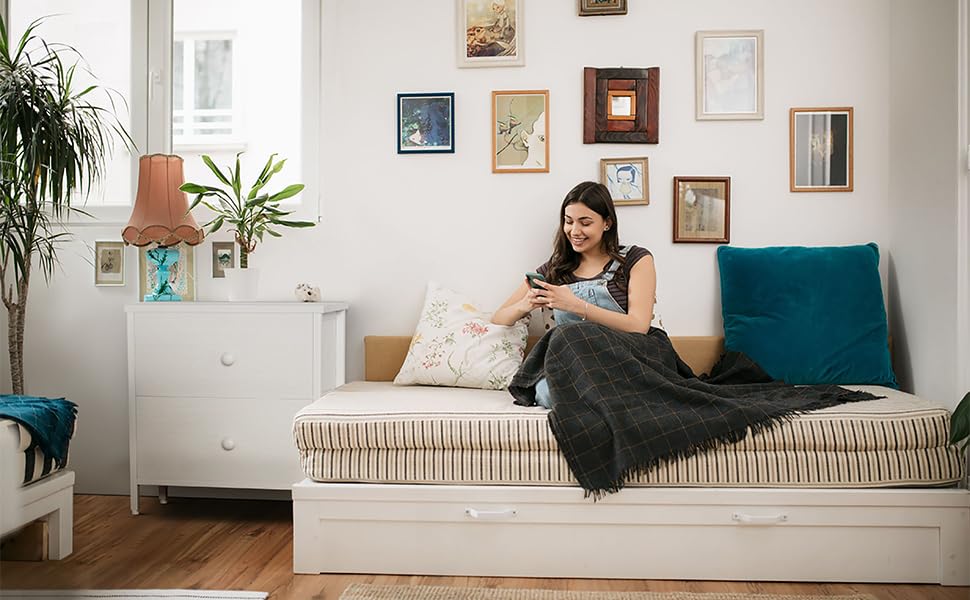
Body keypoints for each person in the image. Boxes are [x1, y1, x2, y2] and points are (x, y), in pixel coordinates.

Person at [491, 181, 657, 408]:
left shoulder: (635, 260)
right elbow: (498, 318)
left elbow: (638, 326)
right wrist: (526, 304)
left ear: (607, 223)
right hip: (577, 365)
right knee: (546, 394)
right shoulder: (555, 269)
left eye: (585, 223)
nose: (575, 231)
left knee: (567, 335)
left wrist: (575, 305)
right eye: (568, 222)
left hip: (625, 358)